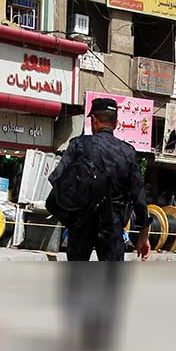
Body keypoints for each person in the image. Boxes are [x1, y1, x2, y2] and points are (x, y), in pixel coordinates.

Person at [49, 97, 150, 261]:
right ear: (116, 123)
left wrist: (69, 216)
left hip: (81, 227)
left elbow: (58, 181)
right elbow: (139, 199)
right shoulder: (128, 153)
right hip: (113, 228)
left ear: (94, 120)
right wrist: (143, 236)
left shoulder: (78, 145)